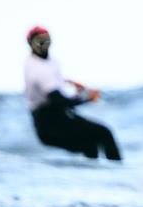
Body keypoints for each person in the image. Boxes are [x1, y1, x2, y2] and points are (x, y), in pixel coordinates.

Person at [23, 26, 121, 160]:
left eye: (47, 40)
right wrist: (87, 97)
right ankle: (115, 175)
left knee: (90, 144)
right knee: (104, 133)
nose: (44, 44)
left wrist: (68, 83)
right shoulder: (37, 69)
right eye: (40, 41)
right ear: (30, 43)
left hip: (58, 117)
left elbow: (52, 82)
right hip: (49, 124)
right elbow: (59, 100)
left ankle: (97, 178)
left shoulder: (42, 61)